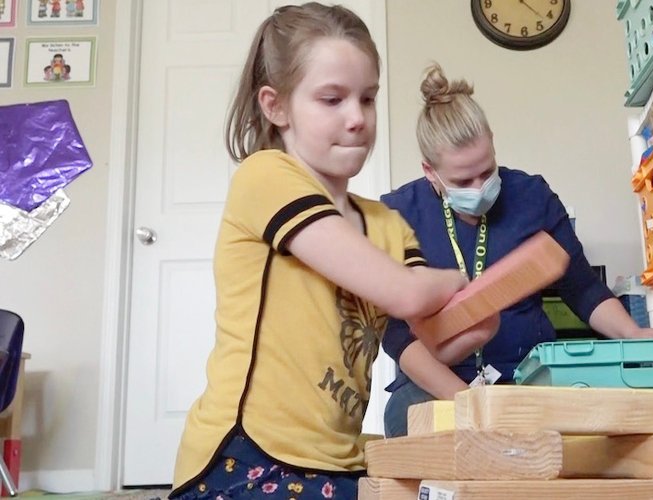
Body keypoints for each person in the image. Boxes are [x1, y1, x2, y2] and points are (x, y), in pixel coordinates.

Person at [169, 7, 470, 499]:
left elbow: (433, 336)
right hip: (244, 459)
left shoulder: (387, 224)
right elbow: (408, 294)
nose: (357, 119)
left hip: (340, 461)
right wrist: (457, 281)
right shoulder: (265, 177)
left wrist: (480, 318)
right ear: (276, 107)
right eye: (332, 99)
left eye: (368, 99)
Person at [380, 63, 653, 438]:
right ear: (429, 173)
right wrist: (469, 405)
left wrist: (632, 335)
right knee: (411, 419)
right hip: (436, 386)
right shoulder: (397, 214)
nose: (480, 186)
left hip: (528, 374)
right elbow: (397, 336)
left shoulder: (532, 196)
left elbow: (582, 289)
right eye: (463, 180)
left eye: (487, 171)